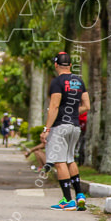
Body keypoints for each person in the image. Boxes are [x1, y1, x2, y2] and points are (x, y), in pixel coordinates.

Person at [41, 51, 91, 211]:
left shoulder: (57, 82)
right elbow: (87, 106)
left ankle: (68, 200)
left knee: (59, 161)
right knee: (70, 159)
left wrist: (47, 129)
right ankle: (79, 195)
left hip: (60, 126)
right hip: (75, 126)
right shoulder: (79, 81)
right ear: (69, 65)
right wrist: (73, 113)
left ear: (56, 65)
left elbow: (54, 106)